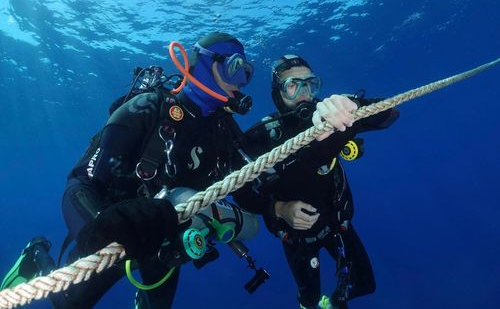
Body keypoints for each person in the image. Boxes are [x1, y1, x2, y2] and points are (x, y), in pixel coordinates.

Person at [1, 31, 257, 309]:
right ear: (206, 64)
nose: (240, 83)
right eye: (234, 69)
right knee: (68, 303)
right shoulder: (149, 107)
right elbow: (80, 181)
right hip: (115, 227)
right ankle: (36, 255)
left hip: (164, 234)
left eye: (246, 73)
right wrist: (100, 225)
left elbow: (255, 184)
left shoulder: (225, 133)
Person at [234, 54, 399, 309]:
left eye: (310, 83)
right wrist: (279, 209)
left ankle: (332, 304)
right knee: (309, 299)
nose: (304, 93)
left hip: (338, 225)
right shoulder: (260, 137)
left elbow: (389, 114)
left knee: (365, 284)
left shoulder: (333, 116)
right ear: (278, 93)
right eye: (292, 85)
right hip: (297, 238)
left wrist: (352, 103)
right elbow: (240, 193)